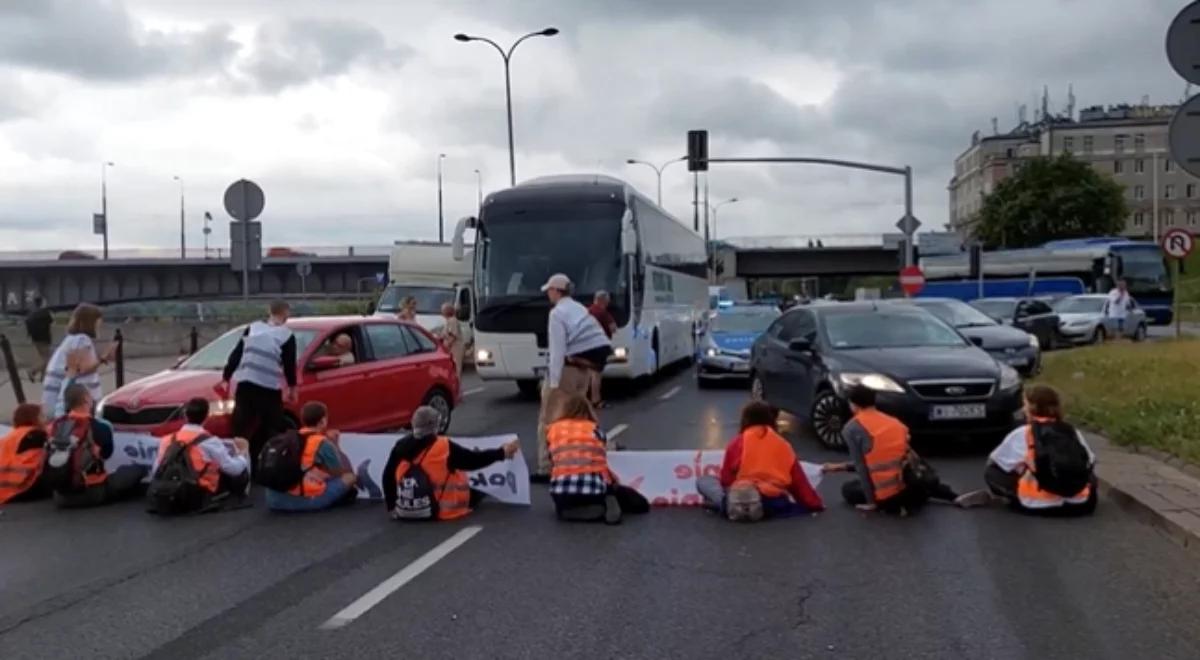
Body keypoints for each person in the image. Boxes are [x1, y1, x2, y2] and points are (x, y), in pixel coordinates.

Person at [955, 384, 1097, 516]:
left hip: (1036, 505)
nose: (1023, 409)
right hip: (1081, 505)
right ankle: (1074, 496)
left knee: (992, 472)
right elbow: (1090, 461)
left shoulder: (1023, 433)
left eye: (1025, 404)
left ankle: (1010, 496)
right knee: (1090, 475)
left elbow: (995, 461)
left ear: (1030, 408)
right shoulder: (1071, 431)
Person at [825, 385, 959, 515]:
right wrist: (841, 467)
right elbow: (893, 459)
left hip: (889, 496)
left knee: (848, 489)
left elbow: (862, 468)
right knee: (917, 481)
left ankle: (900, 505)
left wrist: (871, 502)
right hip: (913, 485)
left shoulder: (852, 428)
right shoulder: (894, 422)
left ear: (853, 404)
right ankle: (952, 496)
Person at [534, 274, 612, 481]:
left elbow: (557, 350)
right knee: (577, 416)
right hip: (583, 371)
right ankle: (578, 460)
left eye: (549, 290)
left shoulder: (557, 313)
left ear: (557, 291)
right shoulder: (579, 309)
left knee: (549, 419)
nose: (547, 294)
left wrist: (552, 382)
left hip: (566, 371)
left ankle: (546, 467)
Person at [382, 406, 519, 520]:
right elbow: (473, 460)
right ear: (433, 426)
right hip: (443, 508)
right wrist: (502, 453)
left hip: (406, 508)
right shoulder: (443, 446)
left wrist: (391, 507)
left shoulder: (400, 446)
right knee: (476, 493)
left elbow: (387, 476)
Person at [696, 401, 823, 520]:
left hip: (740, 499)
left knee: (704, 481)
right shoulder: (783, 445)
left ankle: (724, 506)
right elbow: (799, 483)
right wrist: (815, 504)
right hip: (773, 504)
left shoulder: (738, 442)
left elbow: (726, 480)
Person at [545, 391, 648, 524]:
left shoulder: (552, 430)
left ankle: (573, 511)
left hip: (562, 494)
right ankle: (608, 501)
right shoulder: (594, 429)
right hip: (593, 492)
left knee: (562, 509)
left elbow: (552, 461)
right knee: (615, 488)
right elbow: (602, 456)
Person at [48, 384, 148, 508]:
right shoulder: (98, 426)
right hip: (92, 492)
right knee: (137, 470)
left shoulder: (56, 425)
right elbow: (107, 454)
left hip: (60, 496)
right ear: (86, 399)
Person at [222, 300, 297, 462]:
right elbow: (289, 364)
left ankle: (238, 461)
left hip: (246, 383)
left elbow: (237, 353)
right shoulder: (286, 335)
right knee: (273, 426)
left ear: (269, 311)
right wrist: (292, 388)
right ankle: (269, 460)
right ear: (285, 313)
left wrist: (226, 376)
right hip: (268, 387)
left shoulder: (253, 328)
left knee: (241, 425)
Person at [149, 398, 251, 512]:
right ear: (207, 417)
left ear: (186, 416)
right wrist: (242, 452)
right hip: (197, 493)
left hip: (166, 490)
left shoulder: (167, 439)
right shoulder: (209, 441)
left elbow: (155, 471)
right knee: (235, 465)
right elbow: (233, 469)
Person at [265, 401, 358, 512]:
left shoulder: (289, 438)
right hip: (304, 500)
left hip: (273, 500)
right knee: (350, 477)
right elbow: (339, 472)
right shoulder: (321, 442)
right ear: (323, 421)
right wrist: (335, 445)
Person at [41, 303, 116, 417]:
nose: (99, 325)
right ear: (91, 322)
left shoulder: (71, 339)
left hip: (56, 397)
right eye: (97, 321)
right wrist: (104, 357)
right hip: (74, 401)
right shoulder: (82, 340)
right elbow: (83, 368)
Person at [0, 403, 51, 504]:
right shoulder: (36, 435)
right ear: (33, 418)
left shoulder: (9, 436)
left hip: (4, 489)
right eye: (41, 416)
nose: (46, 419)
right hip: (24, 488)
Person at [586, 291, 617, 409]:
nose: (608, 303)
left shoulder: (587, 311)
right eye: (607, 301)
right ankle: (596, 400)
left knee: (588, 373)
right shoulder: (603, 313)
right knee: (596, 374)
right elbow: (613, 328)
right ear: (603, 300)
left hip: (586, 345)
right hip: (599, 346)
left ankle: (586, 399)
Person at [25, 296, 53, 383]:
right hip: (44, 338)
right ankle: (32, 371)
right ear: (42, 302)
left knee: (44, 357)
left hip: (35, 339)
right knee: (47, 359)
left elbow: (27, 323)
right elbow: (51, 322)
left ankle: (43, 378)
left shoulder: (32, 313)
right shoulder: (45, 313)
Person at [436, 302, 464, 377]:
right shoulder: (449, 321)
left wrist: (447, 345)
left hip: (455, 348)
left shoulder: (452, 321)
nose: (441, 312)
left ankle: (456, 384)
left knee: (456, 367)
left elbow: (453, 335)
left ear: (447, 311)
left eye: (442, 310)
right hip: (451, 348)